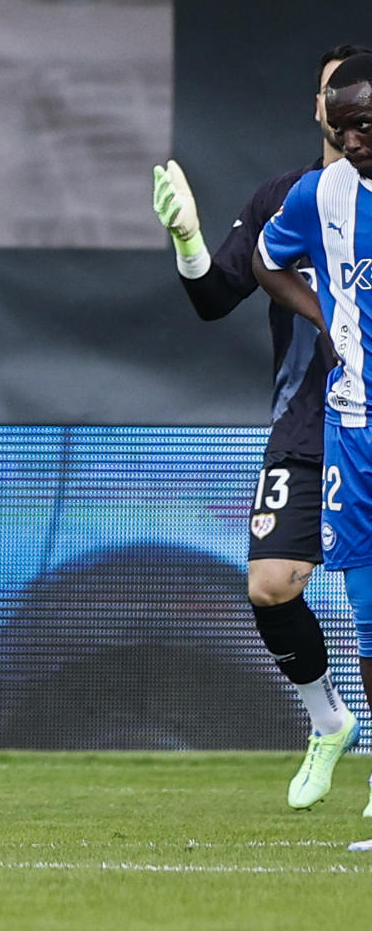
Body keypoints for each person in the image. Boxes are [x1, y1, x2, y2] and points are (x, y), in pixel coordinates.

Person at [153, 43, 366, 808]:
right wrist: (187, 241)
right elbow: (215, 297)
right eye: (329, 94)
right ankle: (328, 720)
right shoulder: (289, 197)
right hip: (305, 424)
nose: (341, 107)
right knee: (271, 585)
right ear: (320, 108)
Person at [256, 50, 372, 827]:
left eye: (368, 123)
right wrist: (325, 317)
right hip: (354, 429)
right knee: (363, 609)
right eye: (345, 124)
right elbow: (265, 261)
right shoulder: (318, 194)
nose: (356, 138)